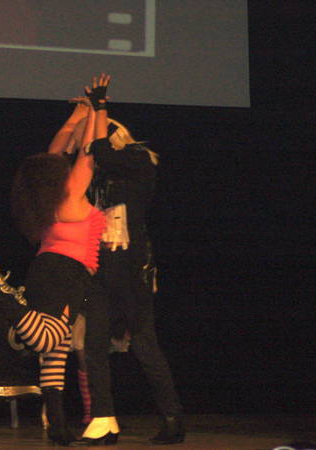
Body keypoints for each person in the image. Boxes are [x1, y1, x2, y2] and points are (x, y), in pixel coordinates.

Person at [8, 74, 114, 445]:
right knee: (52, 340)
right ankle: (1, 304)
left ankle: (57, 425)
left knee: (55, 353)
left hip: (45, 269)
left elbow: (56, 151)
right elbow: (92, 150)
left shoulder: (47, 198)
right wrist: (99, 107)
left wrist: (78, 114)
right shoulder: (70, 192)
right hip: (66, 273)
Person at [85, 120, 186, 444]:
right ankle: (104, 421)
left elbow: (101, 151)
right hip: (103, 269)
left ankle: (172, 418)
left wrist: (98, 113)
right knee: (94, 345)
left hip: (131, 271)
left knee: (144, 344)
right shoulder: (101, 174)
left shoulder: (138, 160)